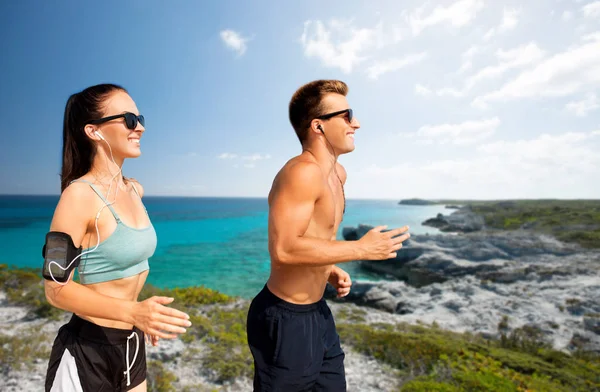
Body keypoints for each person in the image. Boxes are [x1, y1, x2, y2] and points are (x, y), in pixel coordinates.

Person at [246, 79, 410, 391]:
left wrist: (330, 268)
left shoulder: (337, 174)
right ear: (318, 126)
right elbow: (284, 248)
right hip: (283, 317)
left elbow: (314, 234)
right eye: (347, 116)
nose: (356, 124)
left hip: (318, 311)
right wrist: (360, 250)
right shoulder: (301, 172)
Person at [43, 84, 191, 391]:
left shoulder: (134, 190)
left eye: (140, 118)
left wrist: (137, 317)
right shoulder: (78, 196)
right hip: (88, 351)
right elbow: (55, 290)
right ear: (94, 131)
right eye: (129, 119)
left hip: (131, 344)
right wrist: (135, 311)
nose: (140, 127)